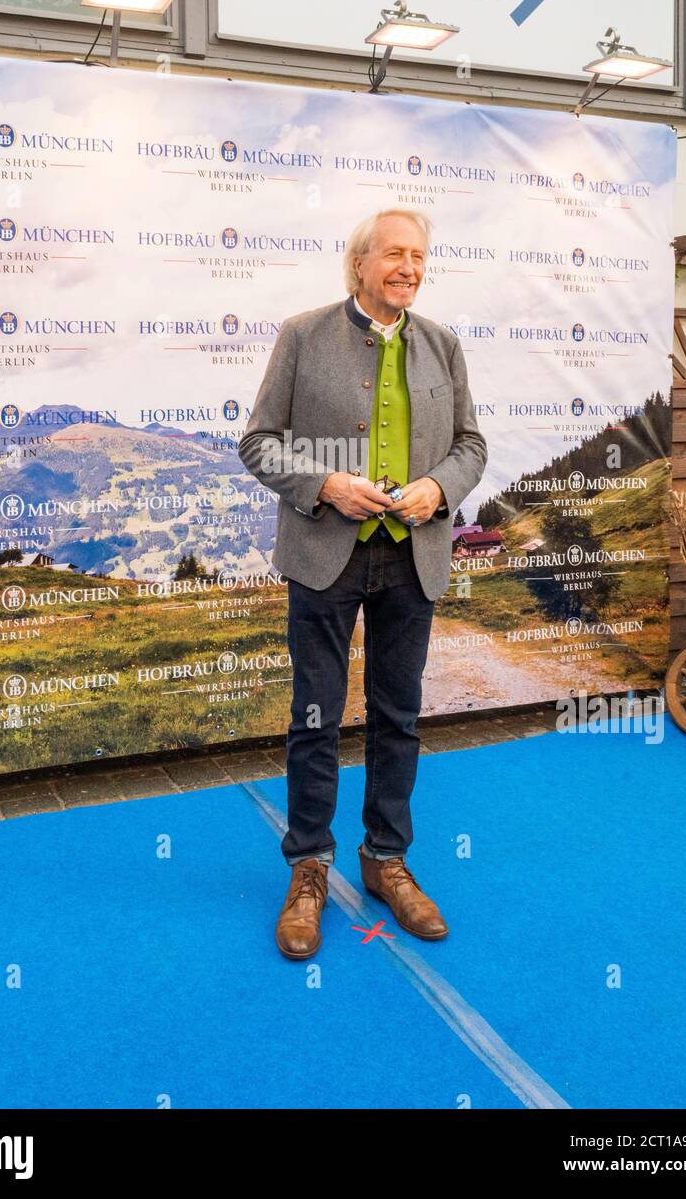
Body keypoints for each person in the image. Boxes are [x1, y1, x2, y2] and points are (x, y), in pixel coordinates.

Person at [238, 207, 488, 959]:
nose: (408, 267)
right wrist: (325, 485)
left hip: (413, 558)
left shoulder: (443, 345)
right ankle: (308, 867)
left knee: (398, 716)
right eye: (393, 255)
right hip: (325, 556)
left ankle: (386, 861)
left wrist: (439, 489)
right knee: (315, 718)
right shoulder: (303, 335)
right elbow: (257, 443)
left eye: (418, 256)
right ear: (359, 264)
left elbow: (472, 444)